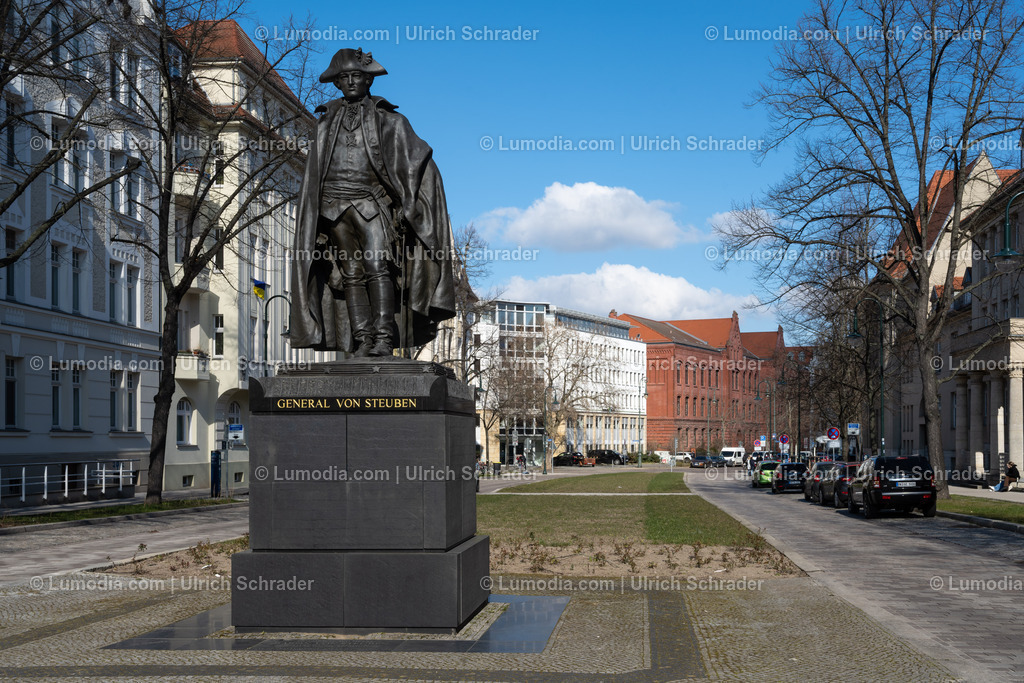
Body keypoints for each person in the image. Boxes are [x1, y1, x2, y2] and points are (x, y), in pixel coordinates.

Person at [289, 48, 455, 356]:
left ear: (368, 80)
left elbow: (417, 160)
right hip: (333, 206)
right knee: (351, 273)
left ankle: (383, 338)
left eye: (357, 76)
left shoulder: (389, 120)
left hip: (371, 203)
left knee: (379, 268)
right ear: (337, 83)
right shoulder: (325, 124)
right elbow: (314, 174)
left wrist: (409, 202)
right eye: (344, 77)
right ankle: (362, 339)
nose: (351, 82)